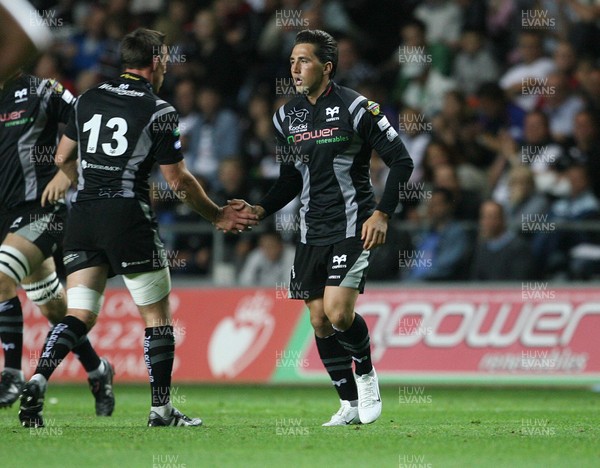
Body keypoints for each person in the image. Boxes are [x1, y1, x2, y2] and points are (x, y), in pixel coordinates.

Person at [18, 28, 257, 429]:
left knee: (79, 314)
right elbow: (178, 181)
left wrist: (88, 180)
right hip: (127, 216)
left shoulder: (87, 99)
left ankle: (39, 377)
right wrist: (217, 215)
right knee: (157, 316)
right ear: (157, 60)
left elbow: (62, 156)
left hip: (84, 216)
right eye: (165, 57)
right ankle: (161, 410)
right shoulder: (159, 111)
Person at [231, 29, 414, 426]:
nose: (295, 68)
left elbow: (402, 161)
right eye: (293, 60)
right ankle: (348, 404)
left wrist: (382, 213)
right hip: (311, 229)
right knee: (318, 319)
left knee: (337, 312)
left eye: (305, 60)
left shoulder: (358, 108)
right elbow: (291, 179)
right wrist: (260, 209)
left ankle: (366, 374)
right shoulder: (286, 116)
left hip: (353, 223)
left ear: (326, 67)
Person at [0, 72, 114, 416]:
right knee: (53, 308)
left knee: (2, 275)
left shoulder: (41, 89)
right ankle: (98, 371)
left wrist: (68, 170)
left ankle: (12, 373)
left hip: (40, 209)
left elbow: (87, 117)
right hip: (5, 217)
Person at [471, 201, 535, 281]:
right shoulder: (481, 248)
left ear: (502, 219)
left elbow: (518, 280)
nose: (485, 222)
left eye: (491, 217)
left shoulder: (519, 248)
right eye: (483, 217)